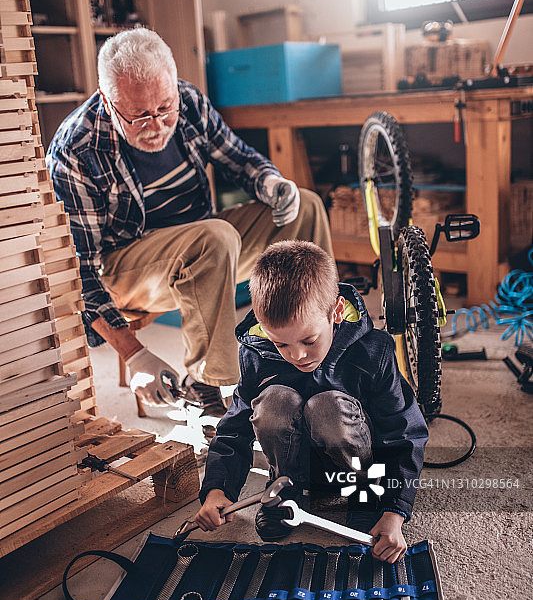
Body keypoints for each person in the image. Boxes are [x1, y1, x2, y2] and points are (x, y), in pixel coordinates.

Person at [46, 28, 332, 419]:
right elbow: (78, 273)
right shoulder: (76, 150)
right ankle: (210, 390)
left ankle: (325, 348)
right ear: (107, 103)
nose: (158, 124)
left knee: (306, 207)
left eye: (166, 108)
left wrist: (271, 182)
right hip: (126, 271)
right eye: (140, 115)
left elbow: (240, 158)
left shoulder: (190, 101)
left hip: (206, 246)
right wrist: (134, 354)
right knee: (213, 236)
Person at [195, 240, 428, 563]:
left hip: (358, 468)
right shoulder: (254, 354)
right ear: (263, 327)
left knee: (327, 406)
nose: (297, 355)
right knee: (274, 401)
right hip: (293, 469)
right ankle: (283, 492)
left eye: (308, 340)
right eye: (281, 344)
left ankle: (363, 495)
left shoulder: (373, 351)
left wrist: (393, 510)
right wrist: (217, 490)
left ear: (335, 312)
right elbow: (234, 429)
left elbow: (404, 432)